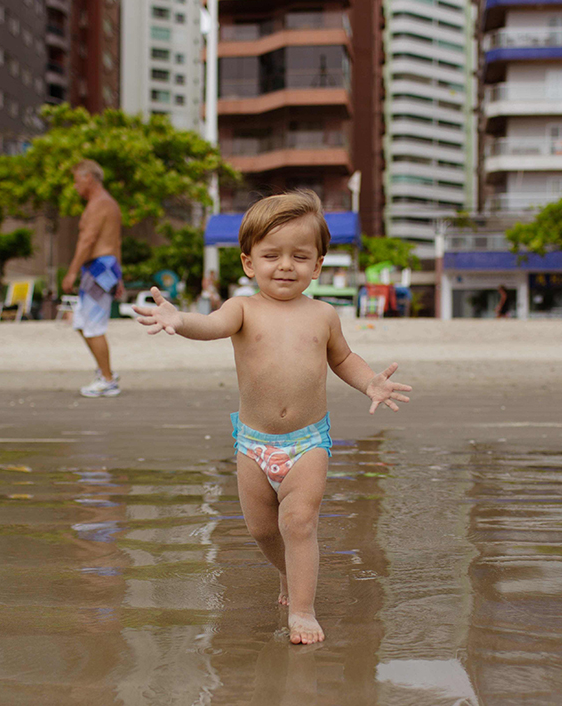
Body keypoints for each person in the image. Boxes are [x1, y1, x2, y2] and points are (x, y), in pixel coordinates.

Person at [132, 190, 412, 644]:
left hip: (307, 443)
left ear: (317, 265)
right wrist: (180, 319)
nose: (285, 265)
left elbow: (343, 359)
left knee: (298, 523)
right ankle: (291, 573)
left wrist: (369, 383)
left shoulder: (323, 315)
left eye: (300, 256)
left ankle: (302, 610)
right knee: (262, 530)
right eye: (271, 255)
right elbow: (211, 327)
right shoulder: (242, 309)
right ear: (248, 263)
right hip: (252, 444)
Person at [62, 159, 125, 397]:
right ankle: (104, 371)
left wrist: (71, 271)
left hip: (99, 267)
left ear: (89, 178)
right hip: (104, 267)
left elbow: (88, 240)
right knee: (81, 322)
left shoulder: (100, 204)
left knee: (93, 326)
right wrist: (119, 276)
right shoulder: (107, 204)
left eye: (77, 180)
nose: (75, 186)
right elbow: (116, 241)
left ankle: (108, 379)